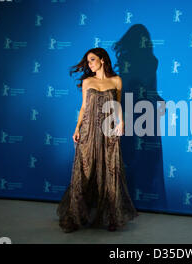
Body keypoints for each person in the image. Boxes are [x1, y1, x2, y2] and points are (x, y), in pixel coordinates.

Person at [56, 47, 139, 232]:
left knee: (110, 171)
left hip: (108, 132)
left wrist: (122, 122)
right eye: (88, 61)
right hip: (88, 132)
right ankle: (75, 217)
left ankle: (111, 217)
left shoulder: (116, 80)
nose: (89, 64)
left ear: (102, 60)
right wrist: (77, 128)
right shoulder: (87, 81)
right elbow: (84, 107)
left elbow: (117, 105)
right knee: (84, 173)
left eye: (92, 60)